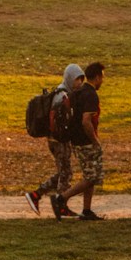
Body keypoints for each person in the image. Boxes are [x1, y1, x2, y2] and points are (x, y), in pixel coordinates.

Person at [26, 64, 81, 219]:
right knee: (66, 172)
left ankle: (37, 195)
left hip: (55, 139)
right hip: (58, 140)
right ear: (70, 78)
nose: (80, 83)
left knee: (64, 172)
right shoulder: (62, 96)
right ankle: (60, 205)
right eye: (78, 79)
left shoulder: (63, 92)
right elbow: (57, 121)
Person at [53, 61, 106, 220]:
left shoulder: (77, 92)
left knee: (88, 175)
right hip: (86, 141)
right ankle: (62, 199)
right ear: (96, 77)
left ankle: (86, 210)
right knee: (92, 177)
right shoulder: (90, 94)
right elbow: (85, 121)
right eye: (102, 77)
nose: (102, 81)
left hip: (76, 141)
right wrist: (95, 140)